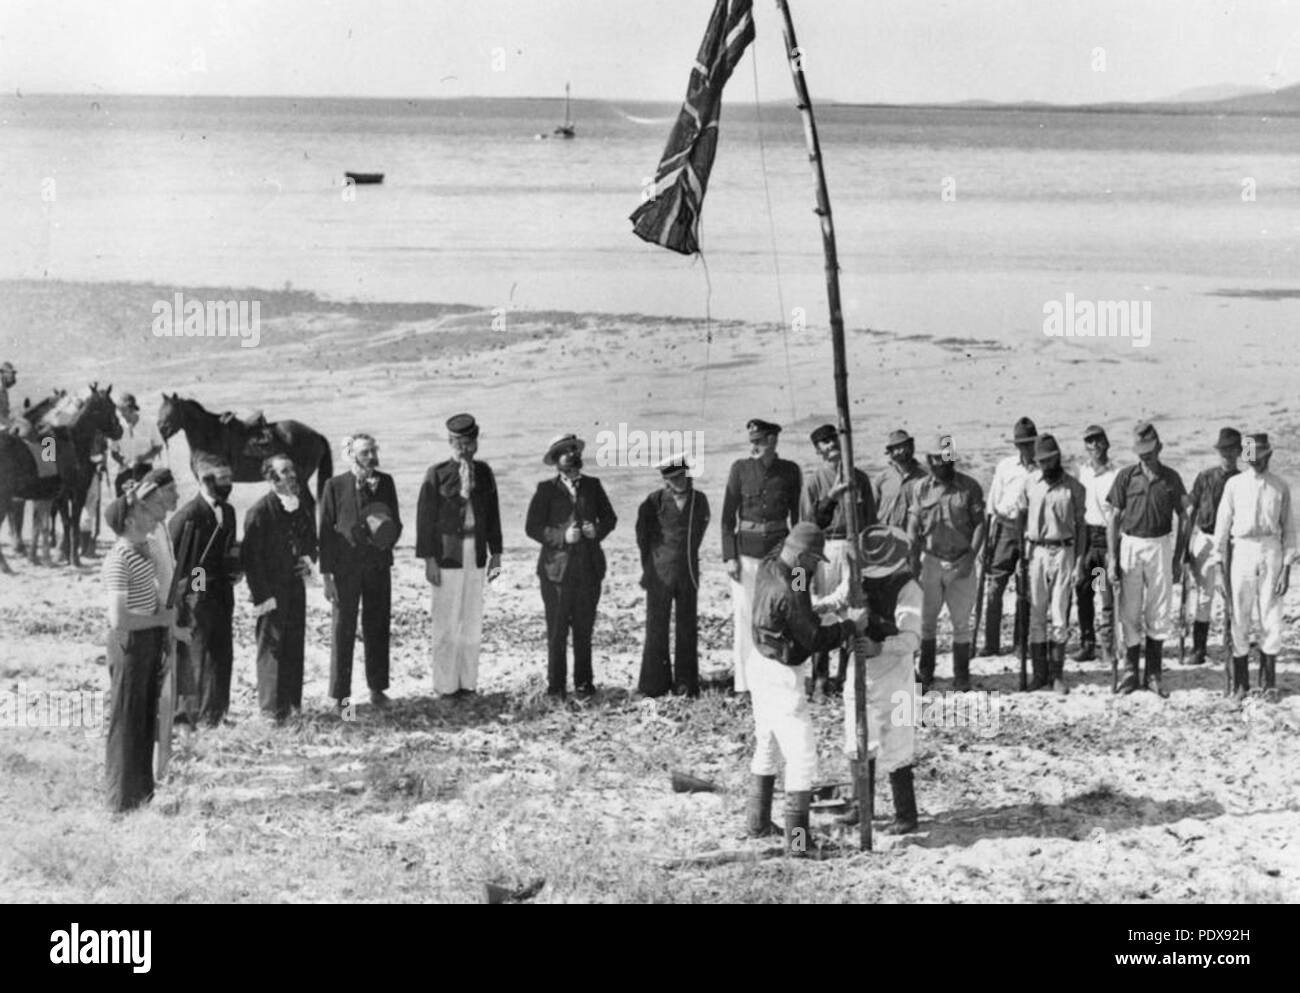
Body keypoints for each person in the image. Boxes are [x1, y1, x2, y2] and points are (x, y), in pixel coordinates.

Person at [746, 522, 874, 854]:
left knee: (768, 744)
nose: (817, 566)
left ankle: (758, 823)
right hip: (781, 676)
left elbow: (802, 602)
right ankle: (798, 843)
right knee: (802, 758)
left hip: (759, 664)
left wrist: (825, 606)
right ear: (802, 555)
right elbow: (814, 638)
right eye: (815, 560)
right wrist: (850, 626)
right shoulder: (788, 587)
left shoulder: (775, 564)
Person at [822, 524, 923, 834]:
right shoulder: (857, 581)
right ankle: (859, 805)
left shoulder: (909, 589)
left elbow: (912, 639)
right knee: (857, 738)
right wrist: (814, 607)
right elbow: (835, 600)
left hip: (897, 674)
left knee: (898, 744)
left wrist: (881, 646)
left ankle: (905, 814)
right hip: (860, 671)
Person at [101, 491, 190, 812]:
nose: (149, 513)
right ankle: (119, 801)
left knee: (142, 719)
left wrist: (168, 624)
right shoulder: (119, 558)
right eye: (141, 509)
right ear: (128, 520)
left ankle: (140, 795)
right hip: (130, 644)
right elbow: (119, 618)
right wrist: (160, 619)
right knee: (126, 719)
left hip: (148, 640)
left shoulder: (144, 552)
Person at [525, 434, 616, 700]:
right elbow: (532, 527)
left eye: (575, 451)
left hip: (588, 569)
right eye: (566, 452)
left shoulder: (593, 485)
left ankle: (584, 684)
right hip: (556, 572)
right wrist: (562, 537)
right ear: (556, 460)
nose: (573, 456)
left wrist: (595, 531)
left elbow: (610, 518)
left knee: (584, 630)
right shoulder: (546, 490)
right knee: (556, 631)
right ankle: (555, 688)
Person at [416, 415, 502, 699]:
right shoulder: (437, 473)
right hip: (447, 557)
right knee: (446, 623)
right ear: (450, 443)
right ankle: (445, 686)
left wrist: (496, 553)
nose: (465, 449)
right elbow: (424, 520)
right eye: (460, 443)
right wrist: (429, 559)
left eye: (470, 443)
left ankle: (468, 684)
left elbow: (493, 517)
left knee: (472, 622)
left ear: (476, 443)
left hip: (476, 553)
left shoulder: (485, 473)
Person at [1106, 421, 1189, 697]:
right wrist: (1111, 557)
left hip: (1160, 545)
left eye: (1150, 451)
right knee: (1129, 608)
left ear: (1160, 447)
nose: (1146, 457)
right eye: (1141, 452)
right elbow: (1113, 517)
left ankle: (1153, 672)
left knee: (1159, 608)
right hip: (1130, 545)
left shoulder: (1172, 478)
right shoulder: (1125, 476)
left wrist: (1180, 556)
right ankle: (1130, 670)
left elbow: (1186, 515)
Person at [321, 433, 402, 711]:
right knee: (343, 629)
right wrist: (326, 576)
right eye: (365, 452)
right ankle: (340, 695)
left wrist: (387, 537)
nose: (371, 457)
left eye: (373, 451)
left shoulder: (386, 482)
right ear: (351, 455)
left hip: (378, 567)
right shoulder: (334, 485)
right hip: (345, 570)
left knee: (377, 626)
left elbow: (397, 524)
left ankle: (377, 689)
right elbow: (325, 533)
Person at [1211, 433, 1295, 701]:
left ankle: (1269, 682)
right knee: (1240, 613)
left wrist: (1287, 568)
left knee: (1271, 613)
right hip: (1242, 550)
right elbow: (1222, 527)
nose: (1256, 462)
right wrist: (1219, 564)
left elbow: (1289, 531)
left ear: (1269, 456)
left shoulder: (1280, 487)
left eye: (1261, 457)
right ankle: (1241, 683)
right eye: (1252, 458)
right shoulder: (1235, 485)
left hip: (1271, 550)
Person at [721, 419, 801, 694]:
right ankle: (744, 685)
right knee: (744, 618)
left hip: (778, 556)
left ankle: (778, 675)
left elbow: (797, 518)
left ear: (773, 440)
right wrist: (729, 556)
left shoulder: (790, 471)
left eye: (758, 441)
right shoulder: (740, 469)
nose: (753, 446)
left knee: (779, 614)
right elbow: (726, 518)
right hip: (745, 556)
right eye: (751, 442)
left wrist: (796, 558)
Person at [801, 423, 876, 700]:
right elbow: (805, 525)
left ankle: (846, 675)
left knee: (852, 609)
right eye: (825, 443)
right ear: (818, 450)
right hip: (825, 549)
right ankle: (820, 678)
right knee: (821, 610)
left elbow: (871, 522)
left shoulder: (861, 479)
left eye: (834, 440)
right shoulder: (813, 481)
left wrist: (867, 556)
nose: (831, 446)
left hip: (853, 546)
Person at [242, 455, 318, 722]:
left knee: (294, 644)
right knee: (272, 648)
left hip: (296, 588)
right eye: (285, 472)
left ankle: (291, 705)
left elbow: (311, 540)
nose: (292, 476)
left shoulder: (302, 505)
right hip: (271, 591)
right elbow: (250, 559)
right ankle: (270, 710)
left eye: (292, 470)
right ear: (271, 478)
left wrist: (308, 562)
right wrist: (263, 597)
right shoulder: (259, 512)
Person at [909, 433, 985, 692]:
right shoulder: (920, 488)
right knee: (927, 621)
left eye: (941, 458)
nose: (936, 463)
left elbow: (979, 526)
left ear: (950, 459)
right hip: (931, 561)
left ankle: (961, 675)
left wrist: (970, 559)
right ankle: (927, 672)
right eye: (932, 459)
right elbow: (914, 525)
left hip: (961, 563)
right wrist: (912, 560)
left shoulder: (969, 487)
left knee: (961, 624)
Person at [167, 457, 239, 727]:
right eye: (222, 479)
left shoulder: (229, 511)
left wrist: (235, 570)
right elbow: (172, 562)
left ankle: (216, 713)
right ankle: (187, 716)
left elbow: (228, 548)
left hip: (223, 593)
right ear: (204, 481)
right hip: (196, 598)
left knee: (222, 653)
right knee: (196, 654)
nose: (228, 484)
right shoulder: (187, 515)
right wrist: (194, 589)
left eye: (230, 478)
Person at [635, 453, 710, 697]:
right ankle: (653, 685)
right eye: (673, 478)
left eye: (682, 476)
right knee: (656, 626)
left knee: (687, 627)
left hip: (688, 571)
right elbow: (643, 538)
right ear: (665, 480)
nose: (679, 482)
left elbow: (698, 532)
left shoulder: (700, 500)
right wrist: (650, 567)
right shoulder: (653, 501)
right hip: (660, 573)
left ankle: (686, 684)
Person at [1018, 435, 1088, 693]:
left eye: (1050, 459)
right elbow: (1020, 519)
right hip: (1036, 552)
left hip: (1064, 552)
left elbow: (1082, 528)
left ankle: (1057, 674)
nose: (1046, 465)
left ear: (1058, 456)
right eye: (1041, 461)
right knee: (1036, 613)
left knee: (1059, 614)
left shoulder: (1074, 488)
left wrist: (1080, 562)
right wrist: (1021, 558)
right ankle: (1039, 673)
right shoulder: (1029, 485)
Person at [980, 417, 1040, 657]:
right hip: (1004, 528)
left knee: (1025, 589)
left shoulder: (1041, 468)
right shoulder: (1005, 466)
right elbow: (991, 507)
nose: (1026, 447)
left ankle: (1020, 644)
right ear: (1016, 444)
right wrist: (987, 543)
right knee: (995, 588)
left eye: (1029, 442)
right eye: (1022, 443)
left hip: (1029, 532)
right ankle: (991, 644)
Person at [1183, 428, 1242, 666]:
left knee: (1233, 592)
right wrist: (1185, 546)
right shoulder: (1205, 477)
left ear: (1239, 451)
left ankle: (1233, 642)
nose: (1226, 454)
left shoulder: (1242, 480)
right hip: (1206, 538)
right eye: (1223, 449)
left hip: (1232, 541)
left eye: (1231, 449)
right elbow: (1191, 510)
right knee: (1204, 595)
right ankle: (1199, 648)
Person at [1072, 425, 1121, 666]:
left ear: (1106, 444)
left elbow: (1118, 513)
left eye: (1098, 441)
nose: (1094, 447)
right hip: (1086, 539)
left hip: (1106, 539)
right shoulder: (1082, 473)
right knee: (1082, 591)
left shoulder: (1116, 474)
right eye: (1089, 442)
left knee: (1105, 593)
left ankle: (1108, 646)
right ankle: (1087, 643)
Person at [872, 429, 925, 536]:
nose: (902, 451)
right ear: (891, 452)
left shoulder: (926, 477)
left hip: (916, 538)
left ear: (912, 447)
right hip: (887, 538)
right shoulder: (881, 479)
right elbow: (871, 511)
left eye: (905, 446)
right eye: (897, 448)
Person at [110, 393, 165, 496]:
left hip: (145, 472)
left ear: (131, 409)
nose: (121, 414)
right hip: (125, 473)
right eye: (120, 411)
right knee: (123, 507)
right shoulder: (118, 426)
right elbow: (113, 452)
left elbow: (158, 446)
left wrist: (142, 458)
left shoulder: (148, 424)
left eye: (123, 411)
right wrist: (123, 461)